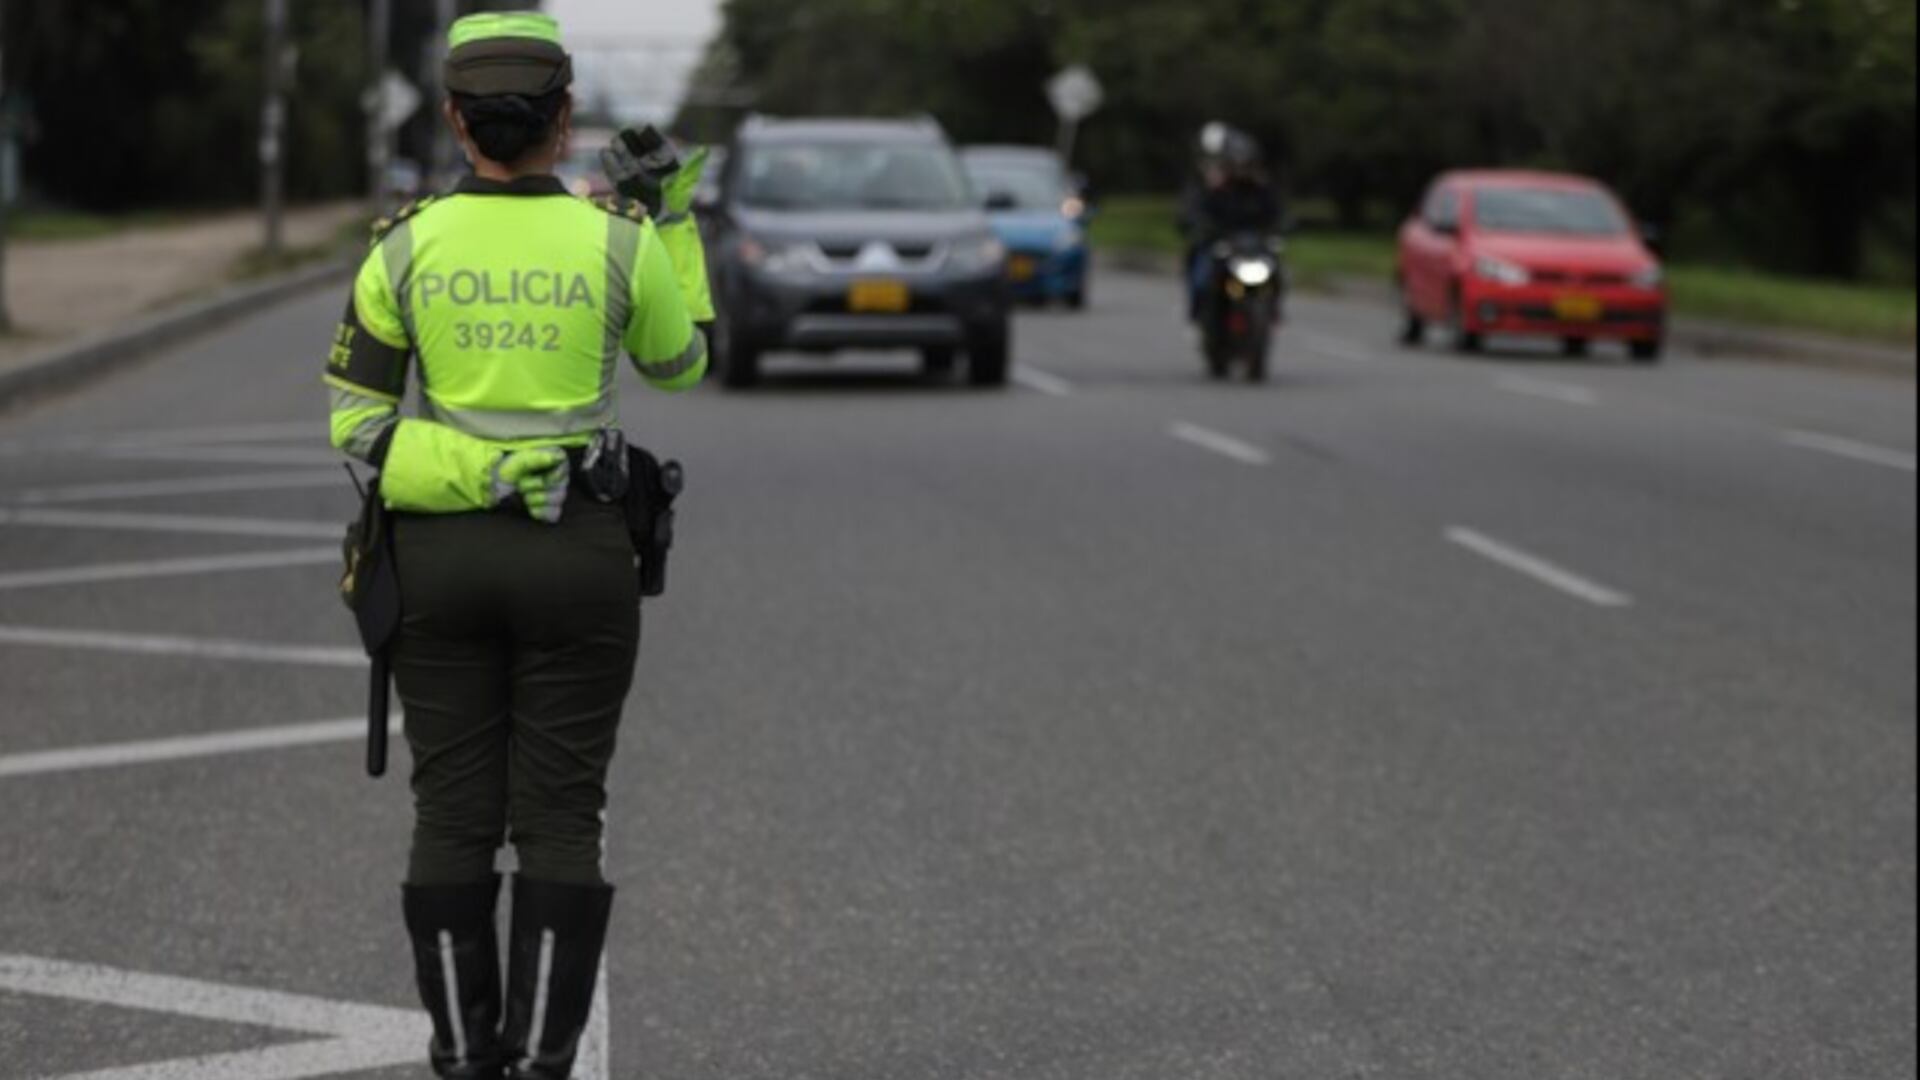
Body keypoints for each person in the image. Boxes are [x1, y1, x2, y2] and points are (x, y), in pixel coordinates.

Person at [322, 12, 709, 1078]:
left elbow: (354, 423)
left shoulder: (403, 248)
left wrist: (471, 471)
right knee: (561, 817)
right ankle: (543, 1063)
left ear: (455, 120)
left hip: (439, 560)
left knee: (451, 815)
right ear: (566, 119)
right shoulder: (618, 240)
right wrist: (669, 220)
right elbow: (682, 366)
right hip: (580, 556)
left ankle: (462, 1055)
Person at [1178, 128, 1282, 321]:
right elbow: (1196, 210)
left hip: (1251, 246)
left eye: (1245, 162)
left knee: (1275, 269)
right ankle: (1201, 313)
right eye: (1236, 162)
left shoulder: (1260, 189)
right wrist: (1200, 226)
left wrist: (1279, 228)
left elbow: (1276, 213)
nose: (1241, 167)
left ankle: (1273, 308)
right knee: (1203, 278)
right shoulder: (1215, 188)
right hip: (1223, 244)